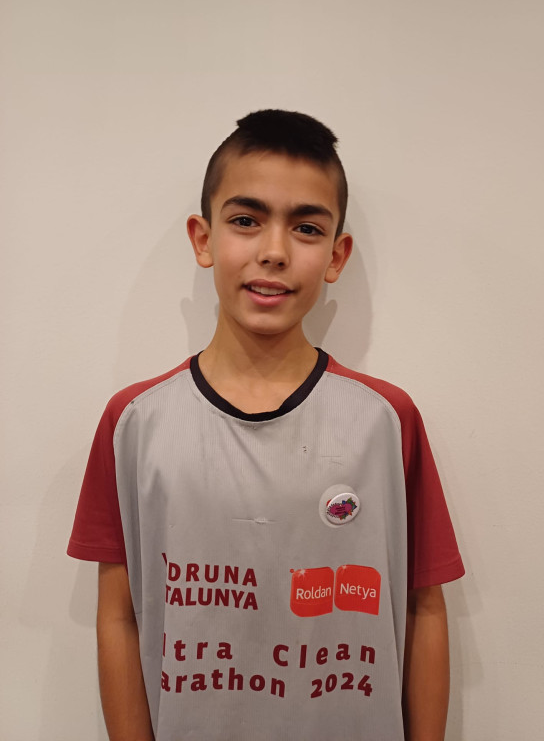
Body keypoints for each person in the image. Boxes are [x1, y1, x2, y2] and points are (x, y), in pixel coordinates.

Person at [68, 109, 464, 741]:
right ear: (203, 239)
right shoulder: (134, 423)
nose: (274, 252)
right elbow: (119, 616)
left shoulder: (386, 421)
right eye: (246, 220)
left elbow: (423, 607)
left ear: (336, 255)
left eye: (306, 227)